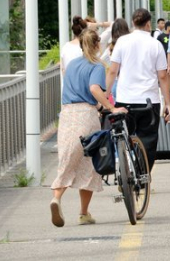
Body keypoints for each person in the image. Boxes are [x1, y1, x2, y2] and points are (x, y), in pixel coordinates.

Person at [51, 29, 126, 227]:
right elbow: (93, 89)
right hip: (86, 116)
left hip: (67, 115)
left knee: (68, 158)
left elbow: (74, 89)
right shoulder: (97, 66)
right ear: (96, 45)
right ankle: (82, 213)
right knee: (90, 164)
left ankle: (57, 198)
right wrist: (111, 107)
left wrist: (101, 105)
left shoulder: (72, 65)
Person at [106, 8, 170, 170]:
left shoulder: (121, 42)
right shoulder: (155, 45)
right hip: (149, 102)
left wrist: (105, 96)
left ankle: (127, 170)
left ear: (133, 23)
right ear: (149, 23)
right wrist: (168, 103)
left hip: (124, 101)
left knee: (125, 137)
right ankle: (142, 175)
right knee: (148, 140)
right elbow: (162, 76)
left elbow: (113, 71)